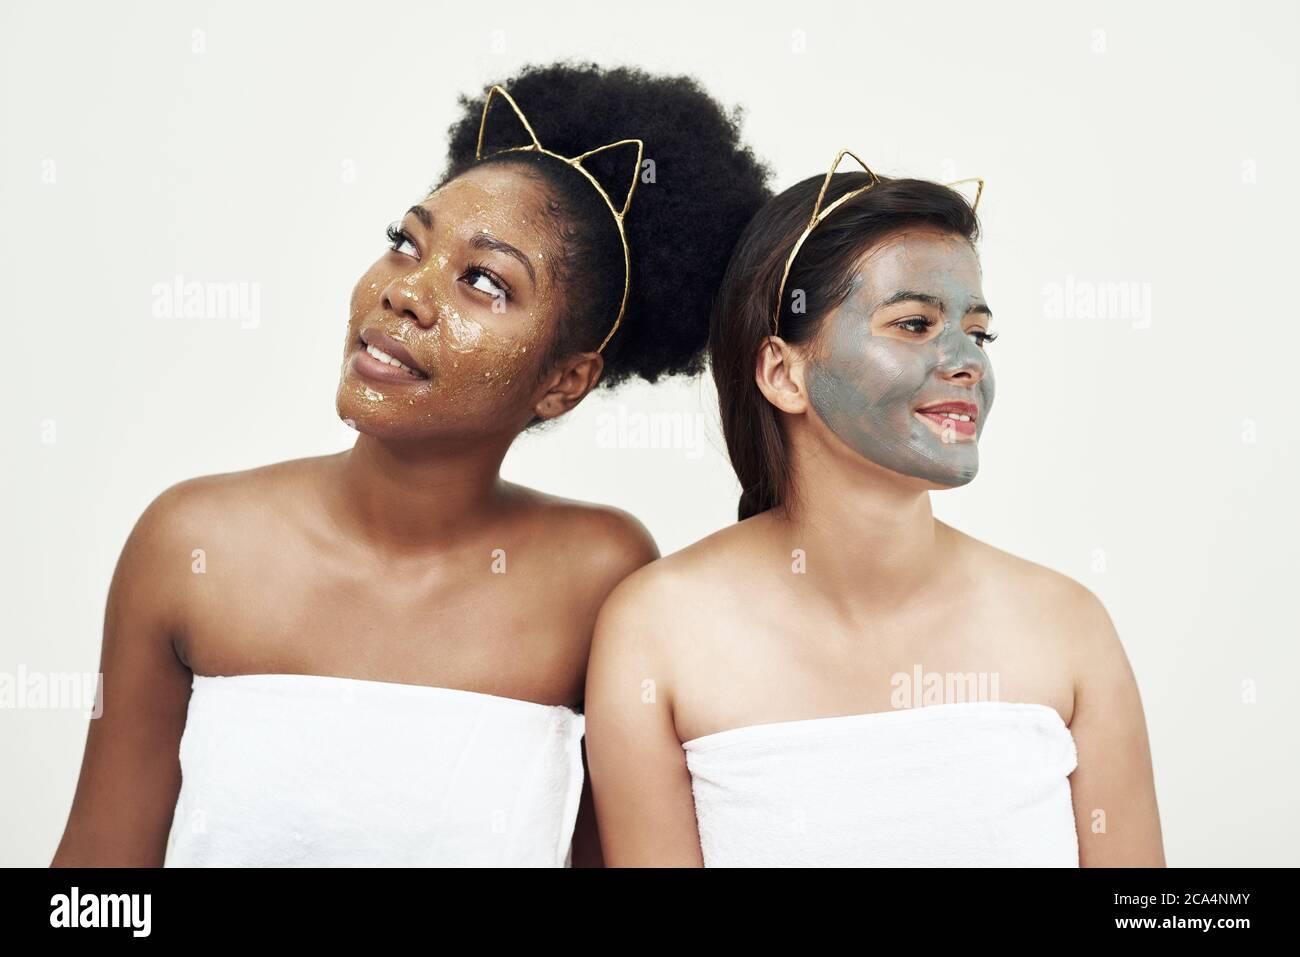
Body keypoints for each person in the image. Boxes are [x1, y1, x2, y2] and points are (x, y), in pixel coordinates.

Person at [50, 62, 770, 867]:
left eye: (484, 282)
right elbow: (95, 882)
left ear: (564, 383)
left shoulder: (599, 575)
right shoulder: (193, 545)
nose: (405, 293)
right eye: (405, 244)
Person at [586, 154, 1165, 866]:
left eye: (978, 332)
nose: (968, 361)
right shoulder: (656, 630)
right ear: (783, 371)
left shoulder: (1067, 625)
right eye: (915, 323)